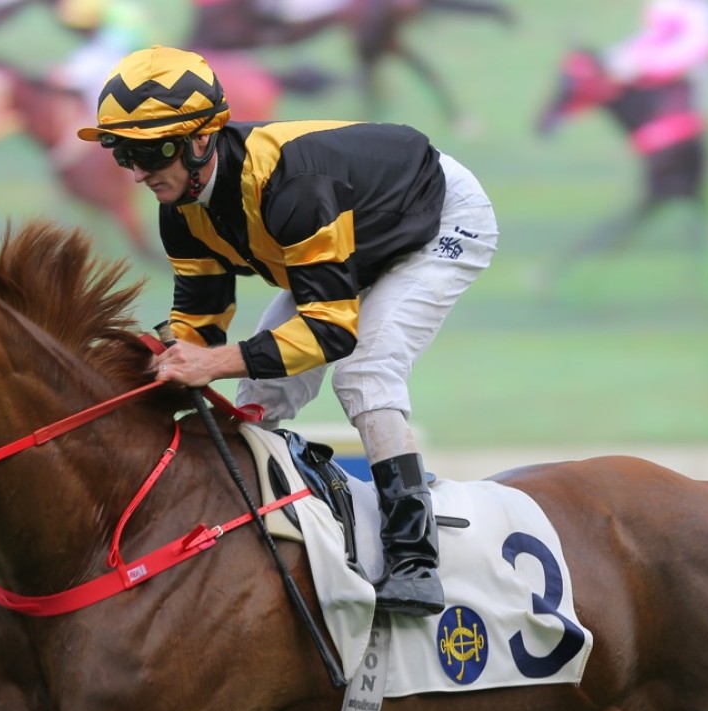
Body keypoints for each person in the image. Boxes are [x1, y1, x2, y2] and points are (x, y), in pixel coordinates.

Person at [76, 46, 498, 616]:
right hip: (356, 227)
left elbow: (330, 333)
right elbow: (199, 328)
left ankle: (415, 561)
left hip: (437, 220)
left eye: (153, 150)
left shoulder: (290, 187)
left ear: (202, 139)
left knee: (366, 371)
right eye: (123, 151)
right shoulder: (180, 207)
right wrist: (158, 368)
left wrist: (210, 363)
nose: (139, 170)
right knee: (261, 395)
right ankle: (258, 529)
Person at [604, 0, 708, 114]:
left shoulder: (689, 9)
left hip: (681, 83)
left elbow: (695, 48)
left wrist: (632, 61)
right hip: (679, 70)